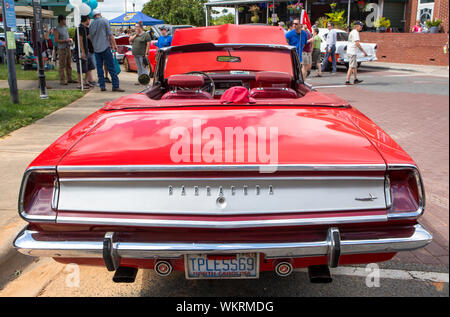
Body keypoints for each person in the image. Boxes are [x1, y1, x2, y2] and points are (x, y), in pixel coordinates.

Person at [89, 9, 124, 92]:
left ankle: (102, 85)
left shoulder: (91, 24)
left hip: (96, 49)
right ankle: (115, 85)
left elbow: (91, 37)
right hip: (105, 47)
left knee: (99, 68)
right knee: (111, 67)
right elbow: (110, 34)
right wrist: (114, 45)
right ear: (100, 14)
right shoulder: (104, 21)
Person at [75, 15, 96, 89]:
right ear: (87, 19)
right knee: (81, 67)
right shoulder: (80, 27)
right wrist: (82, 51)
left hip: (87, 51)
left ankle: (86, 81)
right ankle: (79, 83)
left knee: (89, 66)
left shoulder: (85, 28)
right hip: (81, 51)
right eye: (89, 20)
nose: (89, 21)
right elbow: (80, 40)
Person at [54, 15, 76, 85]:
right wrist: (65, 40)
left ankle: (70, 78)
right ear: (61, 20)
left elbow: (67, 37)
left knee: (68, 64)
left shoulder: (65, 28)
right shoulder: (57, 29)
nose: (65, 21)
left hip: (68, 47)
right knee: (62, 65)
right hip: (61, 48)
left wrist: (70, 41)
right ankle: (62, 80)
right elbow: (56, 40)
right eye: (64, 20)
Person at [345, 21, 367, 85]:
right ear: (356, 26)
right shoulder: (355, 33)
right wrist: (363, 51)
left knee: (355, 66)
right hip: (352, 51)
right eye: (361, 26)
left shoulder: (352, 32)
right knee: (351, 66)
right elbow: (357, 43)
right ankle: (347, 81)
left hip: (350, 51)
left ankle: (355, 79)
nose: (361, 27)